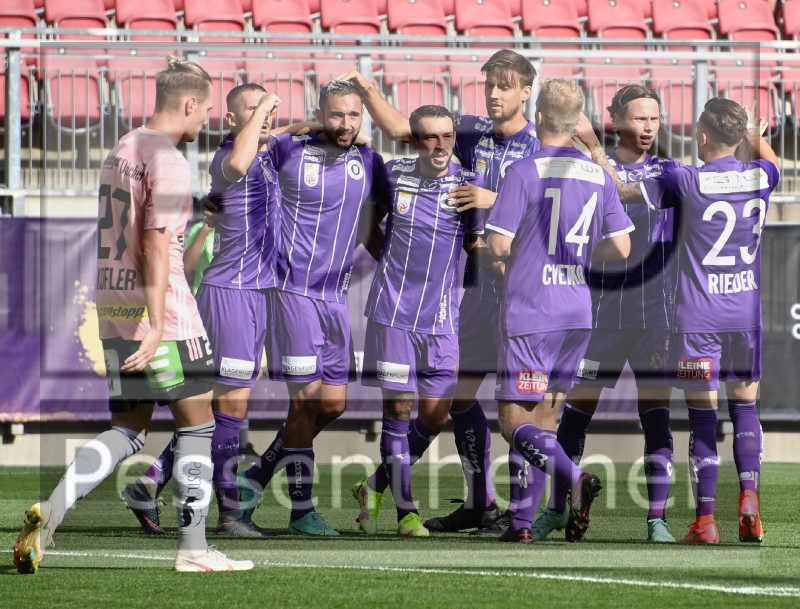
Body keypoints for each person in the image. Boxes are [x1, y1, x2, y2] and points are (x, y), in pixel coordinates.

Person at [14, 57, 253, 573]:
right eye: (206, 109)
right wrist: (160, 324)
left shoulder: (124, 145)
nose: (205, 119)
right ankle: (193, 550)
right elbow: (153, 242)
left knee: (128, 428)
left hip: (116, 307)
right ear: (189, 103)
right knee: (198, 426)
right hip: (158, 314)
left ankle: (50, 512)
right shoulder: (167, 158)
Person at [341, 49, 543, 536]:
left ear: (526, 92)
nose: (494, 93)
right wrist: (367, 91)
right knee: (452, 399)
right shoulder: (469, 132)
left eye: (505, 85)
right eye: (489, 83)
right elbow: (406, 131)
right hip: (472, 291)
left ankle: (518, 514)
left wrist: (496, 200)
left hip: (523, 292)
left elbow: (550, 214)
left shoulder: (539, 146)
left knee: (516, 405)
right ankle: (479, 503)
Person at [577, 97, 779, 543]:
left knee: (703, 418)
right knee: (746, 408)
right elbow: (773, 160)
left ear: (702, 136)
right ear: (739, 137)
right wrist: (755, 141)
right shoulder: (761, 176)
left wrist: (595, 150)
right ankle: (749, 496)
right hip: (745, 316)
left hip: (698, 319)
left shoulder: (683, 179)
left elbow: (621, 189)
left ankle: (706, 521)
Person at [119, 84, 282, 538]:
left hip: (257, 292)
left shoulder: (265, 151)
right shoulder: (230, 154)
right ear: (229, 120)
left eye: (266, 109)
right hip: (230, 290)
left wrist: (308, 126)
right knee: (230, 404)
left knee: (216, 407)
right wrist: (267, 109)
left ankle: (149, 483)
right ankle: (230, 513)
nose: (264, 117)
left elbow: (279, 138)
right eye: (251, 110)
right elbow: (235, 164)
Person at [486, 78, 633, 543]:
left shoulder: (524, 171)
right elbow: (623, 247)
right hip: (577, 310)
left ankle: (575, 477)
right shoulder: (596, 174)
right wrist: (584, 258)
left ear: (541, 118)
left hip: (532, 311)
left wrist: (510, 255)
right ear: (576, 123)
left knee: (514, 423)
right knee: (546, 417)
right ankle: (523, 525)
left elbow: (498, 243)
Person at [532, 84, 681, 544]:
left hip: (653, 317)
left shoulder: (670, 171)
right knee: (574, 414)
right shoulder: (579, 172)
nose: (649, 127)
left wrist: (593, 145)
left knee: (655, 415)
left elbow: (620, 189)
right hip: (600, 316)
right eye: (639, 118)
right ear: (616, 119)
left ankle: (657, 518)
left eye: (654, 118)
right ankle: (559, 507)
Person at [238, 79, 386, 536]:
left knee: (334, 404)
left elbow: (371, 224)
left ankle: (256, 477)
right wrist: (301, 126)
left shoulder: (369, 160)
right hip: (294, 294)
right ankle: (301, 511)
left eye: (354, 116)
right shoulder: (289, 151)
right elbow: (254, 145)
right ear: (322, 113)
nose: (345, 124)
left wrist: (395, 266)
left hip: (335, 298)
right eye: (336, 115)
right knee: (303, 403)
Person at [352, 105, 485, 537]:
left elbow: (478, 246)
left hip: (442, 320)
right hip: (392, 315)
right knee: (399, 414)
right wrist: (390, 265)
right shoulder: (393, 175)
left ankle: (373, 485)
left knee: (433, 414)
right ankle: (406, 512)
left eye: (447, 136)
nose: (440, 145)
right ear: (414, 140)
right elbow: (367, 229)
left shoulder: (468, 185)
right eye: (429, 137)